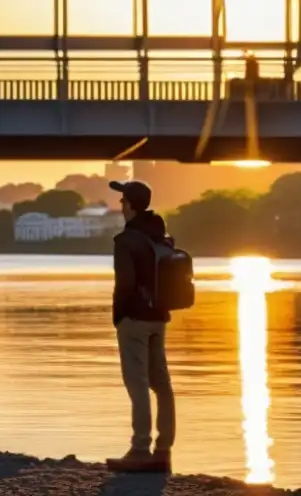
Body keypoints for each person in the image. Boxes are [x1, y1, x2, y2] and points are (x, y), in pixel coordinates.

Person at [106, 179, 176, 474]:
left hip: (134, 319)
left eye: (123, 201)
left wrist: (118, 316)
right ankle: (163, 451)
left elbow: (126, 283)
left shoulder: (125, 241)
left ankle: (139, 449)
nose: (120, 205)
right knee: (161, 384)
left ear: (131, 205)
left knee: (137, 383)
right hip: (159, 317)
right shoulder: (160, 235)